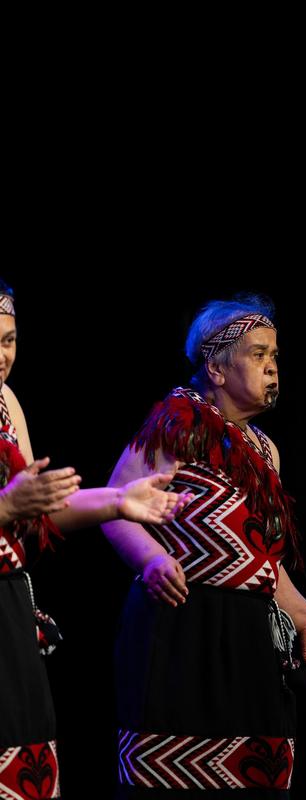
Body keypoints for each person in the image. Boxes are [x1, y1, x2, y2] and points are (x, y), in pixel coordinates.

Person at [102, 293, 306, 799]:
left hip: (249, 638)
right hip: (181, 625)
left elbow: (262, 559)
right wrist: (152, 558)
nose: (272, 367)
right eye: (258, 354)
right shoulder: (176, 424)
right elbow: (113, 508)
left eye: (275, 356)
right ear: (214, 366)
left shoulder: (265, 448)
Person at [0, 278, 192, 798]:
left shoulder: (5, 404)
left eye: (9, 340)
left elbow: (35, 516)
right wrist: (4, 507)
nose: (2, 357)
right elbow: (10, 508)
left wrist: (117, 501)